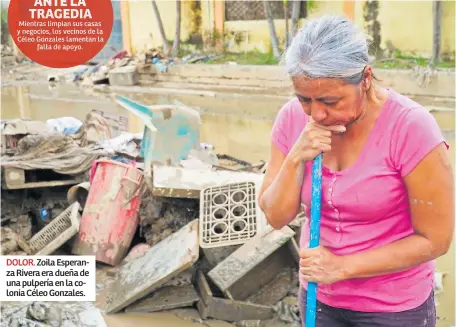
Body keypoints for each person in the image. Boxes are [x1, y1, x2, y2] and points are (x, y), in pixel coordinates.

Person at [258, 15, 454, 327]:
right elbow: (276, 216)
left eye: (330, 101)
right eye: (304, 99)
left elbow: (436, 239)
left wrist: (342, 267)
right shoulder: (293, 118)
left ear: (365, 78)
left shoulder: (411, 129)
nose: (317, 113)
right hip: (318, 298)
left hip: (394, 308)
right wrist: (296, 157)